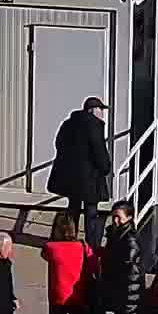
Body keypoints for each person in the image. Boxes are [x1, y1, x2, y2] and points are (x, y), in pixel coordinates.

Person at [47, 96, 113, 244]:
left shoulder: (69, 123)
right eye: (100, 109)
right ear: (92, 110)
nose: (102, 112)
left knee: (73, 209)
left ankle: (70, 239)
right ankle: (92, 244)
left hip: (71, 177)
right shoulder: (94, 125)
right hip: (90, 178)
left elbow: (59, 144)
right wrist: (105, 167)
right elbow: (99, 150)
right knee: (91, 212)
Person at [40, 211, 95, 314]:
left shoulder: (51, 247)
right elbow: (93, 262)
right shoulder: (83, 247)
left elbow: (44, 255)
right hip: (79, 295)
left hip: (58, 296)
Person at [101, 201, 144, 314]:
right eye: (113, 217)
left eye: (119, 217)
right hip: (118, 291)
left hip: (125, 294)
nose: (115, 220)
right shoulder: (116, 234)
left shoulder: (130, 240)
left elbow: (130, 270)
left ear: (129, 217)